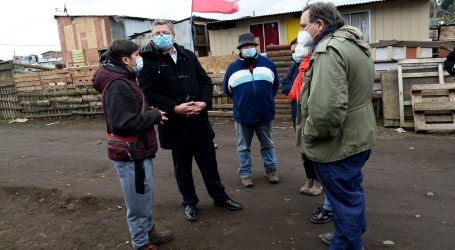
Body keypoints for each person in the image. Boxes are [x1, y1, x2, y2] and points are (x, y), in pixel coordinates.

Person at [138, 19, 242, 222]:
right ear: (152, 36)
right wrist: (175, 108)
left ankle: (219, 197)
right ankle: (190, 202)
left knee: (209, 165)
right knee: (182, 169)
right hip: (175, 124)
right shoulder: (148, 62)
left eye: (164, 32)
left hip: (198, 121)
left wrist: (204, 102)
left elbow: (205, 81)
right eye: (156, 33)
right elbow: (149, 93)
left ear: (173, 35)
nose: (161, 36)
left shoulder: (188, 55)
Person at [296, 2, 376, 249]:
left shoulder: (329, 50)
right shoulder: (352, 43)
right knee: (350, 193)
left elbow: (326, 111)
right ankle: (348, 233)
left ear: (320, 25)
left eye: (303, 26)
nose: (300, 32)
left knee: (344, 200)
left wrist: (308, 136)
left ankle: (349, 241)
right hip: (357, 136)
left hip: (338, 144)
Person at [93, 39, 173, 250]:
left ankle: (148, 233)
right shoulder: (118, 84)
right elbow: (123, 123)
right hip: (132, 153)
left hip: (138, 150)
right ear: (126, 59)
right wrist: (154, 116)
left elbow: (132, 111)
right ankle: (141, 244)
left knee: (143, 197)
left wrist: (149, 112)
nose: (140, 59)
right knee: (138, 202)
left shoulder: (125, 77)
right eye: (137, 55)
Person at [223, 32, 280, 188]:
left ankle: (271, 170)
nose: (248, 48)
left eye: (250, 46)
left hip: (265, 113)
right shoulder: (232, 68)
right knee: (243, 147)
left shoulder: (268, 63)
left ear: (256, 47)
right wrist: (242, 102)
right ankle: (246, 174)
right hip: (243, 115)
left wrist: (265, 100)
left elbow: (274, 86)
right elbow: (227, 90)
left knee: (268, 144)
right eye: (244, 46)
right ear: (240, 49)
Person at [282, 38, 323, 196]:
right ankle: (309, 179)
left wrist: (299, 90)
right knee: (303, 149)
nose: (295, 54)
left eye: (297, 50)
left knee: (315, 148)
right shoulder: (295, 67)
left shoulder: (315, 64)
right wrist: (297, 89)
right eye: (292, 52)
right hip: (297, 114)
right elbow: (285, 85)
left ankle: (319, 181)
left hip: (312, 114)